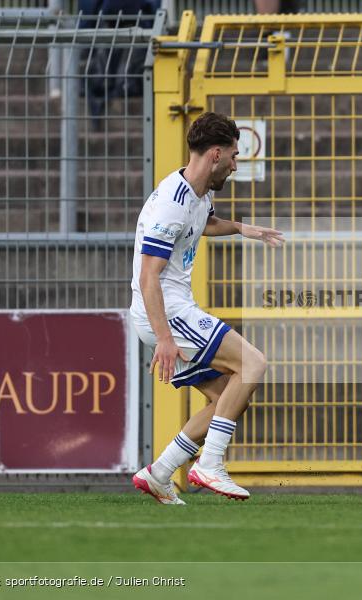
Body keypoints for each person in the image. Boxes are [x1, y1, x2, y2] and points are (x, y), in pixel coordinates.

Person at [130, 112, 285, 504]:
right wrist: (165, 337)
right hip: (167, 310)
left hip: (170, 310)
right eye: (234, 156)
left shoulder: (198, 192)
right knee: (253, 363)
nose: (235, 164)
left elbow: (203, 223)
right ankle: (209, 465)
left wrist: (241, 228)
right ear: (216, 154)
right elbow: (150, 276)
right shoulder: (171, 202)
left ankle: (160, 472)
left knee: (227, 400)